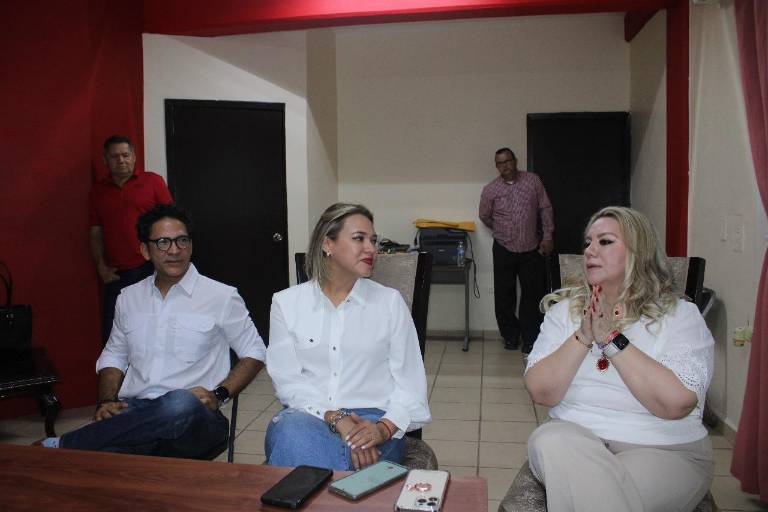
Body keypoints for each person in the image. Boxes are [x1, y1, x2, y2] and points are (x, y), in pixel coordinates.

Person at [524, 206, 714, 512]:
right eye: (588, 243)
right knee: (550, 439)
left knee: (596, 499)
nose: (590, 251)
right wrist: (584, 335)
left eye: (605, 241)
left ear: (640, 252)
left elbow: (675, 404)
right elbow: (541, 392)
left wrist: (611, 338)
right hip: (572, 440)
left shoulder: (681, 316)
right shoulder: (564, 313)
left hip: (663, 449)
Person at [39, 204, 266, 458]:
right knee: (113, 454)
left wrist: (219, 394)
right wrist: (106, 401)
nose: (175, 250)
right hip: (136, 410)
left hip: (197, 418)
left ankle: (67, 444)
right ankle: (105, 446)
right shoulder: (128, 298)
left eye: (182, 240)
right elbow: (114, 355)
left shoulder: (221, 296)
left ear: (191, 245)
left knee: (179, 403)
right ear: (145, 250)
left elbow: (255, 352)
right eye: (163, 242)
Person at [264, 203, 431, 470]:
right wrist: (335, 418)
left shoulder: (389, 303)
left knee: (292, 448)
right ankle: (349, 485)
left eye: (373, 241)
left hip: (374, 422)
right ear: (327, 244)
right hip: (309, 416)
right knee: (291, 432)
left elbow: (411, 387)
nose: (371, 249)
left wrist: (383, 429)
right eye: (358, 239)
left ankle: (314, 486)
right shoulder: (287, 303)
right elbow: (288, 382)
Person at [90, 135, 172, 345]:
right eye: (114, 156)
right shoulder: (98, 191)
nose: (121, 160)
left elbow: (171, 223)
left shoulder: (153, 182)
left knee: (156, 332)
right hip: (116, 275)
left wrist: (167, 264)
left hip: (151, 270)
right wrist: (101, 267)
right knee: (115, 337)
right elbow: (96, 231)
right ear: (105, 159)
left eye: (125, 155)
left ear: (134, 157)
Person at [479, 147, 554, 354]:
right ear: (497, 166)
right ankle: (510, 337)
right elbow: (484, 216)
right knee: (504, 295)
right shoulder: (490, 189)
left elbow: (545, 208)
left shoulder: (532, 181)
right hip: (503, 247)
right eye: (500, 163)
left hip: (531, 247)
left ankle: (530, 339)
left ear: (515, 161)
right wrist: (502, 229)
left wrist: (547, 236)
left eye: (508, 161)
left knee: (532, 294)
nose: (505, 166)